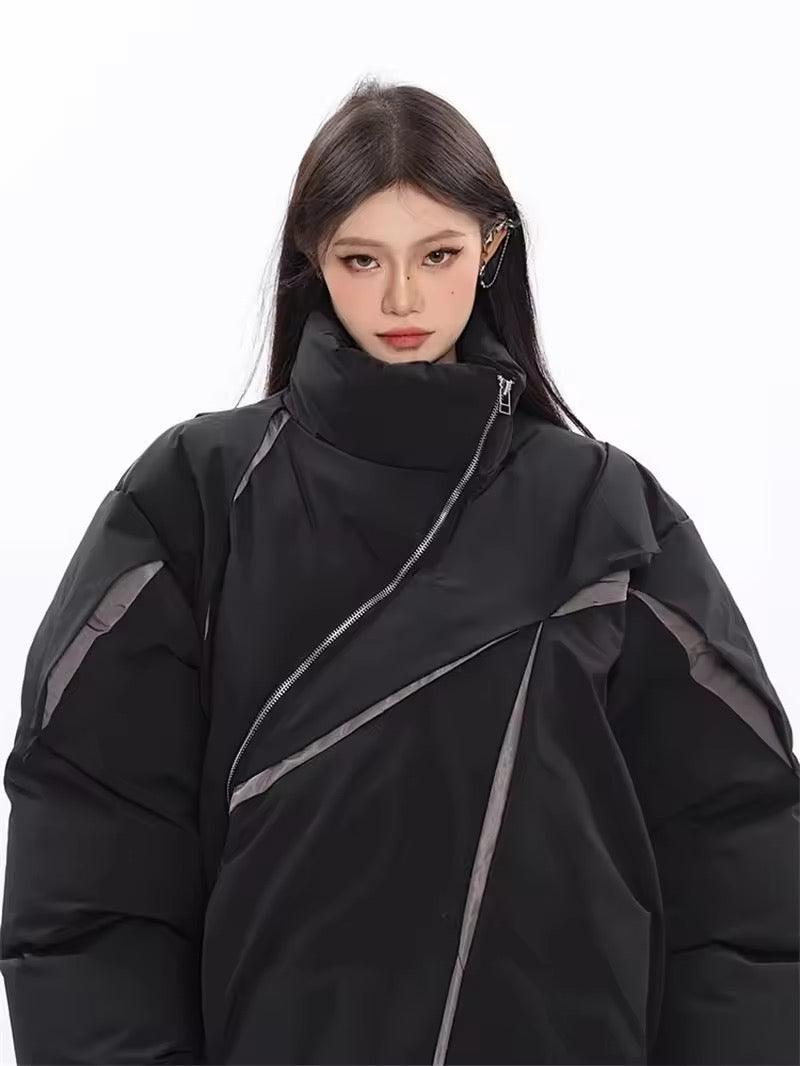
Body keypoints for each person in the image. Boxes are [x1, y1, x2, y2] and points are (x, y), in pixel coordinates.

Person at [1, 76, 798, 1066]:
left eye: (437, 254)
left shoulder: (607, 514)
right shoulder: (194, 499)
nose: (402, 300)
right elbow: (91, 856)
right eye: (361, 258)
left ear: (491, 248)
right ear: (311, 256)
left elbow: (734, 849)